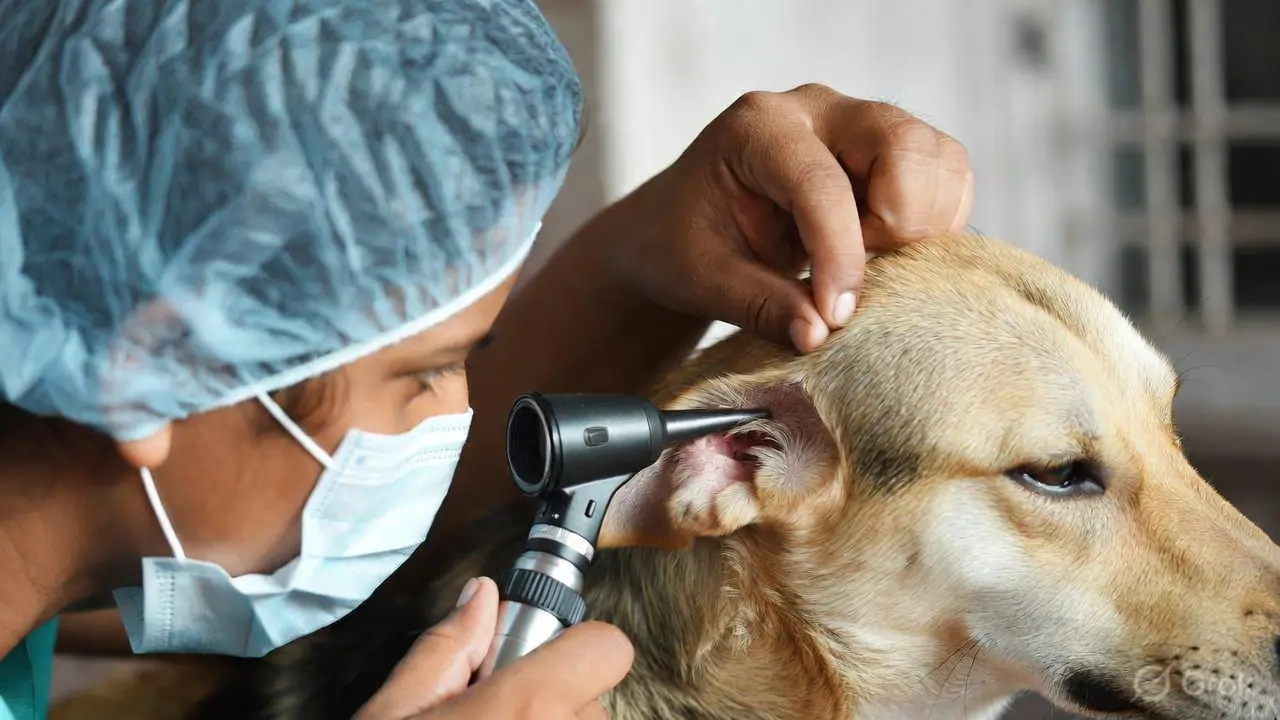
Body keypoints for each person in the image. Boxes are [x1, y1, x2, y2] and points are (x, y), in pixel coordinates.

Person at [0, 0, 973, 718]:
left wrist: (636, 267)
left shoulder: (43, 588)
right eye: (426, 370)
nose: (455, 418)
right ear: (153, 369)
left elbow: (393, 518)